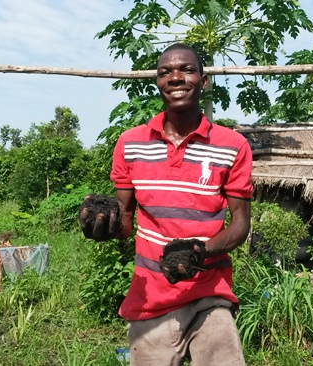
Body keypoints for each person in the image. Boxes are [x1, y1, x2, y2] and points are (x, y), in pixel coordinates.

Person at [79, 43, 253, 365]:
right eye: (165, 72)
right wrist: (102, 225)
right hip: (151, 300)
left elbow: (240, 225)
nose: (175, 77)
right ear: (158, 83)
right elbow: (125, 222)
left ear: (203, 81)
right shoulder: (130, 143)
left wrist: (200, 251)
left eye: (187, 69)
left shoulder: (232, 145)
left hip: (209, 293)